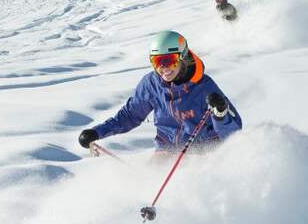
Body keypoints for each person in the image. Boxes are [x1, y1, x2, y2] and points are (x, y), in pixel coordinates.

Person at [78, 30, 242, 154]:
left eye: (169, 61)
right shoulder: (151, 84)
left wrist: (220, 114)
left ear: (182, 57)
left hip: (205, 151)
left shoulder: (203, 87)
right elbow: (130, 116)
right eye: (157, 62)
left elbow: (233, 133)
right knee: (150, 183)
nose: (163, 68)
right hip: (167, 149)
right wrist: (97, 132)